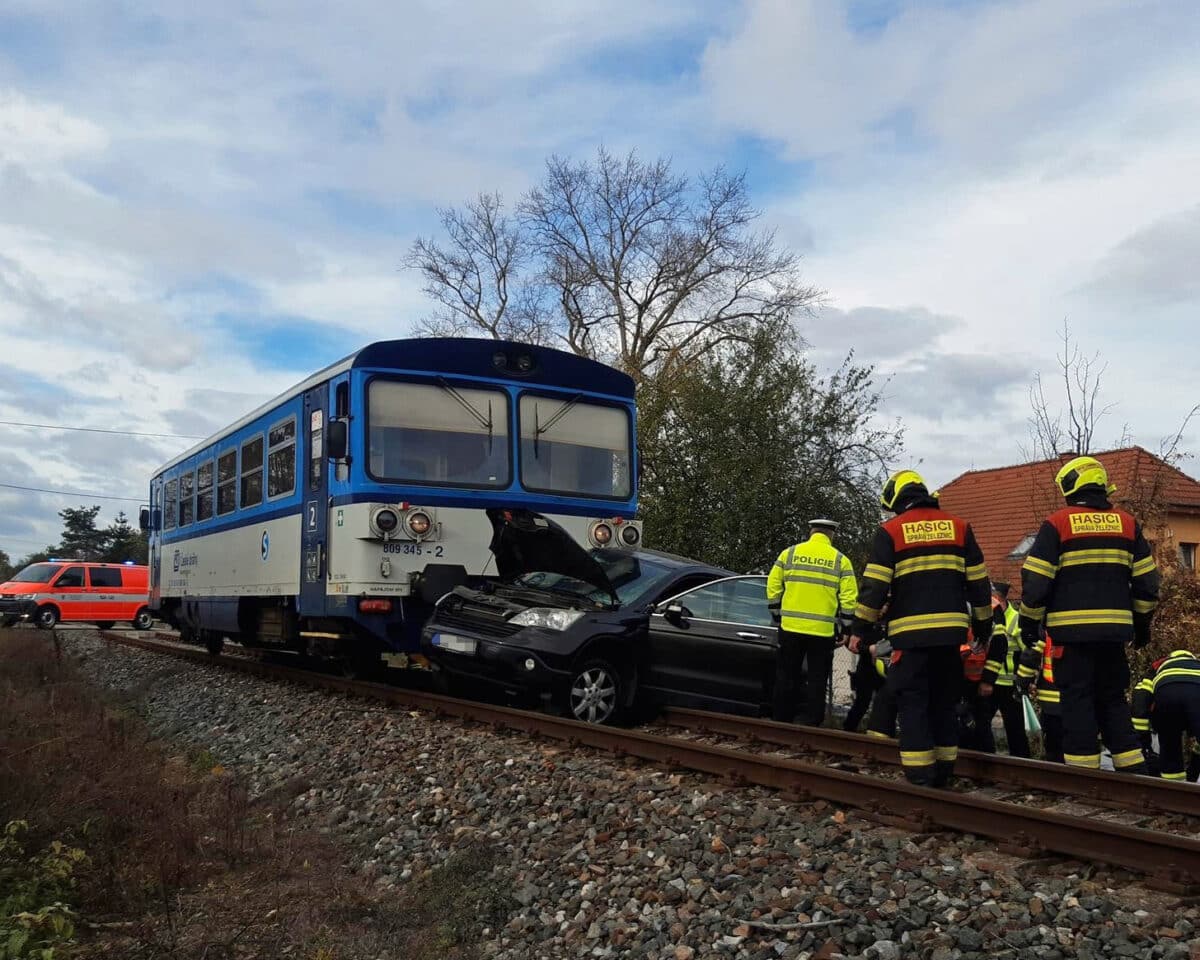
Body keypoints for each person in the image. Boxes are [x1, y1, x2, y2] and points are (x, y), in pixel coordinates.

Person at [1016, 455, 1159, 774]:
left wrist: (1028, 622)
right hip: (1115, 636)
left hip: (1071, 637)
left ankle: (1083, 778)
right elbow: (1147, 584)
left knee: (1077, 701)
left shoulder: (1058, 524)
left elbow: (1036, 583)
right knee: (1113, 700)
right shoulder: (1128, 524)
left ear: (1071, 487)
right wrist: (1142, 624)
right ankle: (1133, 772)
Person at [849, 470, 992, 787]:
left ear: (896, 500)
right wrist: (984, 625)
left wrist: (859, 628)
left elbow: (874, 587)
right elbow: (980, 584)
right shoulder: (959, 527)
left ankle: (920, 776)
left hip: (911, 638)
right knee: (943, 701)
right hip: (952, 636)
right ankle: (944, 771)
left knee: (913, 702)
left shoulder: (891, 531)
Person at [767, 518, 858, 726]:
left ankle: (781, 719)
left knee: (786, 675)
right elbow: (849, 596)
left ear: (811, 532)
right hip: (822, 632)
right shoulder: (840, 560)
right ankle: (811, 722)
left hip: (790, 627)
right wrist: (845, 626)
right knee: (817, 679)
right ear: (831, 535)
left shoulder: (789, 553)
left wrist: (776, 613)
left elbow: (773, 584)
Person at [970, 585, 1031, 757]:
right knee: (980, 724)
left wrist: (1025, 680)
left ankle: (1021, 763)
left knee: (1015, 728)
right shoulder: (991, 617)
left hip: (1010, 684)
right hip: (990, 681)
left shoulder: (1016, 619)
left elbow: (1029, 652)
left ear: (999, 598)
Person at [1131, 649, 1200, 781]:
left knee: (1170, 746)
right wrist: (1195, 766)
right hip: (1197, 693)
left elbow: (1141, 697)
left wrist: (1142, 738)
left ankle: (1174, 791)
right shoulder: (1196, 665)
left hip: (1167, 696)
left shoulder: (1156, 668)